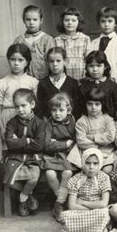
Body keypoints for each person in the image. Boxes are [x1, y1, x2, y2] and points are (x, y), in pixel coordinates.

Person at [1, 89, 45, 216]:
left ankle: (23, 197)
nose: (20, 110)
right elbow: (9, 143)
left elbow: (39, 145)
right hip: (15, 157)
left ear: (32, 105)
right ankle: (29, 195)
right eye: (17, 106)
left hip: (33, 157)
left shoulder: (40, 123)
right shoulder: (12, 123)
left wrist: (19, 142)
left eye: (23, 105)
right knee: (9, 179)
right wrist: (29, 141)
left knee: (34, 177)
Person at [57, 148, 112, 232]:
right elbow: (72, 205)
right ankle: (99, 231)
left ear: (100, 164)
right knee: (65, 216)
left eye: (95, 163)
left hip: (96, 210)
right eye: (88, 163)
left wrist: (82, 202)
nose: (91, 167)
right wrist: (92, 209)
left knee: (104, 212)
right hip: (82, 211)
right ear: (82, 163)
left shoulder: (104, 178)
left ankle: (89, 231)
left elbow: (103, 204)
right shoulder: (75, 179)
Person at [0, 44, 39, 156]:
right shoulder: (2, 83)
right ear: (8, 60)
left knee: (26, 147)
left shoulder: (33, 82)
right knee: (8, 150)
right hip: (8, 117)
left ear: (27, 62)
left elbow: (35, 105)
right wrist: (1, 128)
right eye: (13, 59)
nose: (16, 63)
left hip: (27, 119)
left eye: (20, 60)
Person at [42, 93, 76, 222]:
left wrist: (55, 143)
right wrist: (64, 144)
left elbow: (74, 140)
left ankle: (58, 204)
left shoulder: (72, 121)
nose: (57, 113)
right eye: (54, 110)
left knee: (67, 172)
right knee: (50, 174)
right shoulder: (49, 123)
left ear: (68, 110)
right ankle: (61, 200)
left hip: (68, 155)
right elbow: (46, 145)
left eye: (61, 110)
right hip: (52, 156)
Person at [69, 88, 117, 174]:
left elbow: (110, 137)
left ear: (103, 105)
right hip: (87, 152)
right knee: (88, 169)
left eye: (97, 104)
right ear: (85, 104)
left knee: (107, 170)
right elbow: (81, 141)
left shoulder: (108, 119)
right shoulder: (82, 121)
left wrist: (92, 137)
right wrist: (100, 143)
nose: (93, 107)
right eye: (90, 104)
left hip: (105, 152)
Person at [36, 47, 79, 119]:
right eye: (51, 61)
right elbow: (40, 108)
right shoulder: (43, 83)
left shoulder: (72, 83)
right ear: (47, 63)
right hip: (49, 125)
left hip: (68, 125)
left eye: (58, 61)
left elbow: (76, 108)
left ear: (65, 61)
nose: (55, 64)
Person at [14, 5, 54, 79]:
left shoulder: (47, 39)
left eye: (35, 19)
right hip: (24, 79)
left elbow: (52, 60)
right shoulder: (19, 40)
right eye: (28, 19)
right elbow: (15, 60)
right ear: (23, 20)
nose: (31, 22)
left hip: (44, 79)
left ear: (41, 20)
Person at [90, 6, 117, 83]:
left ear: (115, 23)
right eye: (103, 21)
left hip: (116, 80)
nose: (106, 24)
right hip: (97, 81)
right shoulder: (93, 43)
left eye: (110, 21)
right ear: (99, 22)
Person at [78, 50, 117, 119]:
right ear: (87, 67)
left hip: (108, 124)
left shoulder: (113, 87)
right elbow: (80, 109)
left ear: (105, 66)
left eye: (99, 66)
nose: (95, 69)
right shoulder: (83, 86)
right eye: (91, 66)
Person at [53, 7, 92, 80]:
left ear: (79, 22)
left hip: (82, 77)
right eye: (66, 20)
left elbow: (89, 60)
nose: (70, 23)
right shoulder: (56, 40)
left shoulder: (85, 39)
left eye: (73, 20)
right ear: (62, 22)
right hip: (63, 77)